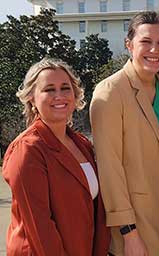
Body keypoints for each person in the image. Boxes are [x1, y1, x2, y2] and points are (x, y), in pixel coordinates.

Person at [90, 11, 159, 256]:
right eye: (146, 41)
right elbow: (110, 169)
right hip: (134, 220)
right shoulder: (110, 92)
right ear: (129, 44)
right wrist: (128, 231)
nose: (154, 49)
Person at [2, 58, 110, 255]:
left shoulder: (81, 143)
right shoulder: (27, 149)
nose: (59, 96)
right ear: (32, 98)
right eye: (49, 89)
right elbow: (40, 226)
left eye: (65, 88)